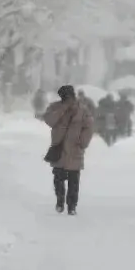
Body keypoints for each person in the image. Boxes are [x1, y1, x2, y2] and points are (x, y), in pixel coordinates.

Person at [43, 85, 95, 215]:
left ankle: (72, 206)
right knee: (58, 180)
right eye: (65, 97)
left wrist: (82, 142)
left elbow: (89, 127)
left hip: (75, 150)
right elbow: (49, 120)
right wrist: (63, 109)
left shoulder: (82, 110)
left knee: (73, 181)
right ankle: (60, 202)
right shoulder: (55, 107)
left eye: (70, 97)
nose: (68, 99)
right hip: (59, 149)